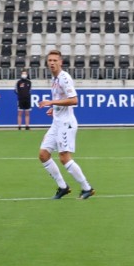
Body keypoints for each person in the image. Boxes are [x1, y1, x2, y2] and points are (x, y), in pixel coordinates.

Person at [37, 49, 95, 200]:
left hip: (66, 123)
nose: (52, 63)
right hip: (57, 122)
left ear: (61, 62)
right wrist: (54, 108)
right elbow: (62, 99)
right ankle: (63, 187)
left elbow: (74, 100)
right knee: (43, 154)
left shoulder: (64, 78)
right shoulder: (55, 79)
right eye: (50, 61)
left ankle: (87, 188)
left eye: (55, 60)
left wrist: (51, 102)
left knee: (64, 157)